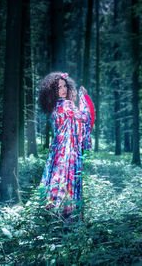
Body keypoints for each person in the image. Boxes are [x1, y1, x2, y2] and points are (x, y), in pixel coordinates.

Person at [38, 72, 95, 221]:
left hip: (57, 151)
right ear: (52, 91)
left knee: (56, 179)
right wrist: (84, 98)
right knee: (67, 179)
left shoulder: (55, 107)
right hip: (68, 150)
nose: (63, 89)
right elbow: (84, 117)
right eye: (58, 88)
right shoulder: (66, 105)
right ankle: (68, 217)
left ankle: (52, 217)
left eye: (64, 86)